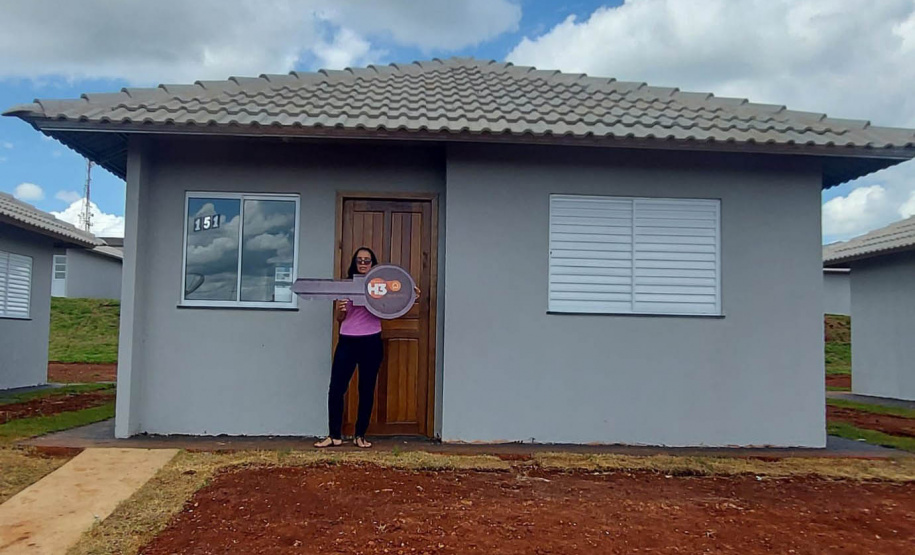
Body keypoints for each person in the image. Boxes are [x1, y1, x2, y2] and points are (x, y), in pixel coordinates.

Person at [315, 247, 419, 449]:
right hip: (347, 340)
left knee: (366, 389)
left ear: (373, 264)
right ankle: (334, 435)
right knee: (336, 388)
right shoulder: (345, 287)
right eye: (360, 260)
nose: (363, 263)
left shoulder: (381, 287)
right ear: (355, 263)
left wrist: (411, 296)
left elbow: (396, 304)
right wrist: (340, 311)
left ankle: (360, 435)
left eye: (367, 261)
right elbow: (340, 319)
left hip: (371, 341)